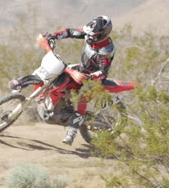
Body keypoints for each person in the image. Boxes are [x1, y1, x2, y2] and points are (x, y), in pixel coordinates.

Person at [44, 15, 115, 145]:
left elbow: (103, 71)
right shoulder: (91, 34)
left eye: (93, 35)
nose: (89, 37)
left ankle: (72, 131)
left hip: (94, 79)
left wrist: (90, 77)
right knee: (59, 74)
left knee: (82, 99)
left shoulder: (106, 50)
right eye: (89, 33)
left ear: (102, 34)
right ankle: (56, 104)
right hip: (82, 69)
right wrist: (54, 35)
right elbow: (71, 32)